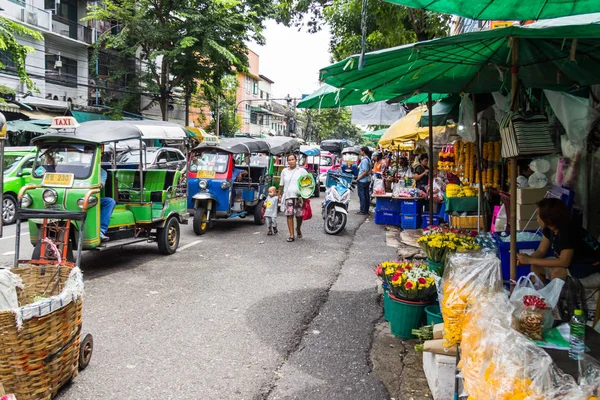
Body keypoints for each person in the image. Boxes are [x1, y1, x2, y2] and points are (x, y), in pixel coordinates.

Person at [517, 198, 600, 282]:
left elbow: (564, 262)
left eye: (539, 214)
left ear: (549, 219)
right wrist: (526, 259)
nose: (537, 217)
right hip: (574, 263)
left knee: (557, 273)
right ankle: (540, 293)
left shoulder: (568, 231)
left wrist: (530, 260)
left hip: (591, 266)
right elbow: (541, 250)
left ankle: (555, 295)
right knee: (535, 266)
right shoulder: (550, 229)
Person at [278, 154, 308, 242]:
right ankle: (291, 235)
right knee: (289, 215)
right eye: (289, 160)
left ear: (296, 160)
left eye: (292, 159)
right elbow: (281, 184)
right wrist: (279, 194)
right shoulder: (284, 171)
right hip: (288, 196)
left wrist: (306, 194)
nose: (291, 161)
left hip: (299, 197)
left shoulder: (301, 171)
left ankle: (298, 229)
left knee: (299, 216)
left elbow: (308, 181)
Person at [100, 168, 116, 242]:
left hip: (91, 198)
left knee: (110, 202)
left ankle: (101, 230)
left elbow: (100, 185)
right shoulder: (74, 167)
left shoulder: (102, 172)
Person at [356, 146, 372, 215]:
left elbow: (365, 171)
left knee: (362, 195)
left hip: (362, 181)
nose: (360, 152)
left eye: (361, 151)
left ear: (363, 152)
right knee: (366, 195)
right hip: (366, 180)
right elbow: (369, 171)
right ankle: (366, 210)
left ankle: (363, 210)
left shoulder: (365, 160)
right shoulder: (368, 159)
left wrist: (358, 178)